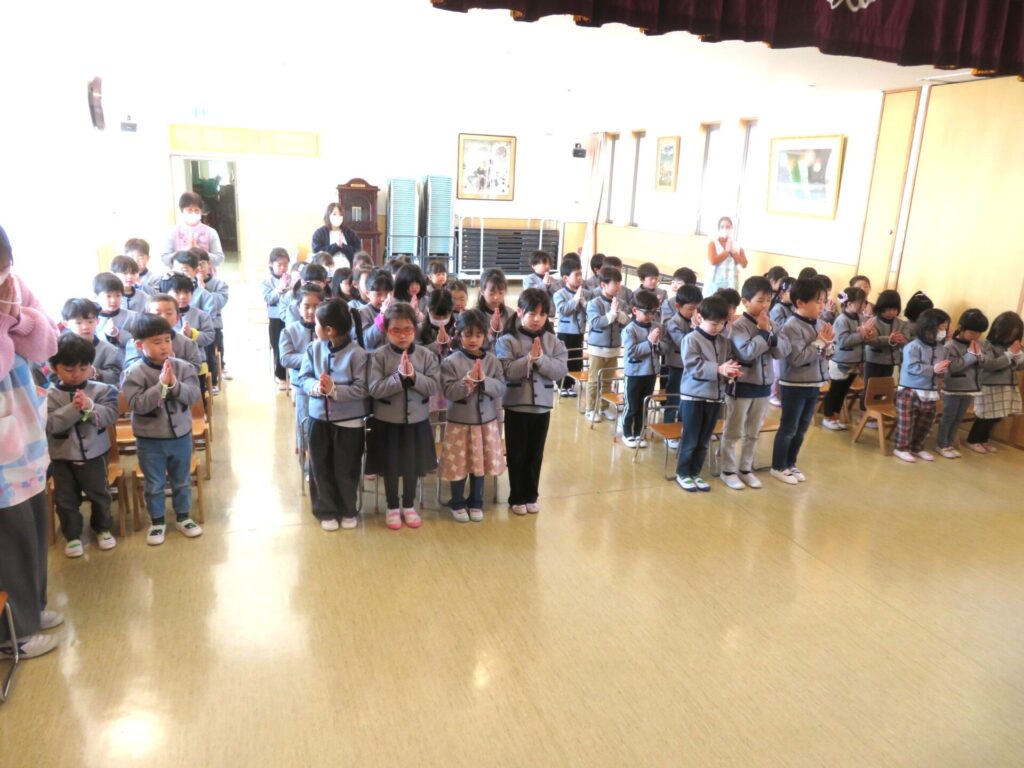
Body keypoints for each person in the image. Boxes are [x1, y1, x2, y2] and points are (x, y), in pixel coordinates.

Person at [0, 225, 61, 659]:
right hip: (4, 451)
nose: (4, 276)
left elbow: (46, 345)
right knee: (10, 538)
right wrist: (7, 322)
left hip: (25, 433)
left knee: (36, 526)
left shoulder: (15, 287)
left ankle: (33, 607)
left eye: (5, 267)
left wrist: (19, 318)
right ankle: (13, 633)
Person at [121, 314, 203, 545]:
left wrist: (174, 384)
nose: (165, 346)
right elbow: (137, 405)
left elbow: (193, 396)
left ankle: (183, 517)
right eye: (157, 342)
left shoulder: (183, 367)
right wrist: (160, 386)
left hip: (180, 436)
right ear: (140, 345)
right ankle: (157, 521)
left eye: (167, 340)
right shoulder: (133, 373)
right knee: (154, 483)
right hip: (150, 440)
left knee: (181, 479)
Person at [366, 302, 440, 530]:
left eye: (407, 330)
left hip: (416, 421)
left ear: (415, 329)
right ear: (386, 330)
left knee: (411, 466)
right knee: (390, 467)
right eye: (395, 330)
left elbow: (433, 386)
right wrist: (398, 377)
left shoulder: (426, 355)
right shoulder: (379, 356)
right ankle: (391, 506)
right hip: (387, 422)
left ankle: (409, 505)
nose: (402, 335)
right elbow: (374, 389)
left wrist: (414, 376)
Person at [298, 298, 370, 531]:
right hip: (318, 419)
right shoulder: (313, 348)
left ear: (329, 330)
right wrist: (316, 387)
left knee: (346, 468)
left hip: (349, 423)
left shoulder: (358, 354)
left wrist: (334, 391)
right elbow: (303, 377)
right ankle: (325, 510)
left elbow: (362, 389)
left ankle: (348, 509)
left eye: (317, 324)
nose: (314, 326)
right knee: (320, 467)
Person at [45, 334, 119, 558]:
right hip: (62, 458)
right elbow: (50, 425)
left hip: (95, 455)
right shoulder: (48, 396)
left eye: (83, 368)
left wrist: (90, 407)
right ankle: (73, 536)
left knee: (100, 494)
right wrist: (73, 409)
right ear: (54, 368)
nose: (77, 374)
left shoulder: (103, 390)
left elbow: (110, 415)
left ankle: (102, 528)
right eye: (69, 369)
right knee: (65, 499)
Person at [495, 289, 568, 515]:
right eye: (532, 313)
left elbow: (560, 370)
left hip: (542, 406)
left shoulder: (553, 341)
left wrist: (541, 360)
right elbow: (506, 370)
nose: (537, 319)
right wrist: (528, 359)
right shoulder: (507, 340)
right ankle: (516, 497)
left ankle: (531, 495)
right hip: (516, 404)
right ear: (519, 312)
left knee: (535, 454)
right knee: (516, 453)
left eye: (542, 314)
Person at [720, 277, 789, 490]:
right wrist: (764, 333)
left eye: (768, 300)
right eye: (760, 300)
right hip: (741, 386)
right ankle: (728, 470)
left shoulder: (771, 323)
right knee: (733, 431)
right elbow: (747, 352)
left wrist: (770, 335)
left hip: (763, 387)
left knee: (753, 432)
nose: (765, 305)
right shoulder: (738, 326)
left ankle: (745, 469)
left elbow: (783, 351)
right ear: (745, 302)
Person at [439, 309, 507, 523]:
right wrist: (467, 382)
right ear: (459, 335)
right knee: (458, 464)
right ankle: (457, 501)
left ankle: (476, 501)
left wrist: (484, 381)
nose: (473, 340)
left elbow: (501, 388)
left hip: (485, 423)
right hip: (459, 423)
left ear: (485, 335)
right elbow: (449, 392)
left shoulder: (493, 361)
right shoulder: (450, 361)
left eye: (478, 335)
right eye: (468, 334)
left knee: (480, 464)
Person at [674, 296, 742, 492]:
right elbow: (693, 366)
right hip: (693, 397)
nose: (717, 327)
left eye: (721, 324)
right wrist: (719, 369)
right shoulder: (691, 339)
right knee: (690, 439)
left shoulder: (723, 341)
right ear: (699, 318)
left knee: (704, 440)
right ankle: (683, 473)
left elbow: (727, 363)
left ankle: (695, 473)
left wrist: (731, 373)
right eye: (713, 323)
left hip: (714, 397)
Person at [771, 278, 834, 485]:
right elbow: (797, 359)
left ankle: (791, 463)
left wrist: (829, 346)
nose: (822, 306)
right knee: (789, 428)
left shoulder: (821, 324)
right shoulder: (791, 326)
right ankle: (778, 466)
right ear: (800, 303)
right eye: (818, 301)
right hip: (794, 384)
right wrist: (820, 343)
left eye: (824, 301)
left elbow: (827, 353)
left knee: (802, 428)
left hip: (814, 383)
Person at [893, 308, 951, 463]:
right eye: (940, 328)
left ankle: (917, 447)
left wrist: (942, 371)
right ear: (928, 328)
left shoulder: (942, 349)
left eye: (945, 328)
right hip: (909, 391)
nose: (943, 332)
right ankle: (901, 448)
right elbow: (911, 367)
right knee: (907, 423)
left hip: (930, 391)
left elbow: (942, 368)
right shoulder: (913, 346)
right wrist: (934, 369)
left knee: (925, 423)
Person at [966, 311, 1024, 453]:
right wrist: (1009, 354)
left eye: (1014, 335)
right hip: (989, 386)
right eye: (1008, 334)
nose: (1010, 337)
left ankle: (983, 440)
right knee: (985, 416)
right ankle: (973, 440)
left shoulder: (1011, 347)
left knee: (997, 416)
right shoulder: (985, 344)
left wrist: (1019, 356)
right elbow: (989, 364)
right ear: (998, 330)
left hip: (1007, 386)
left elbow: (1018, 367)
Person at [820, 287, 876, 431]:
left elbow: (866, 336)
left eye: (865, 302)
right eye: (861, 302)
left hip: (854, 363)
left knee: (843, 392)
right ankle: (828, 417)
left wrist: (869, 334)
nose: (864, 305)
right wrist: (862, 334)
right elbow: (843, 341)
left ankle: (836, 416)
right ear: (850, 304)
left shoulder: (860, 318)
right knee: (835, 391)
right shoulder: (841, 320)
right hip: (841, 362)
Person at [935, 309, 988, 458]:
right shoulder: (950, 346)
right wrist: (971, 356)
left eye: (979, 333)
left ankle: (950, 444)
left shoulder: (979, 344)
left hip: (970, 388)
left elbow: (984, 363)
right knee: (948, 417)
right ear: (961, 328)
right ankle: (941, 445)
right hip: (953, 388)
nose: (976, 336)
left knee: (958, 419)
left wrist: (980, 357)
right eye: (972, 333)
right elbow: (952, 367)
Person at [280, 285, 325, 456]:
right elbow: (285, 358)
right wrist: (311, 357)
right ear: (298, 307)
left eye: (316, 306)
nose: (311, 311)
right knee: (305, 423)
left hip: (324, 385)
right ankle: (306, 460)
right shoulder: (289, 331)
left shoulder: (328, 330)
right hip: (301, 386)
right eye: (306, 306)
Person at [584, 266, 629, 423]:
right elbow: (595, 322)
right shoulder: (594, 303)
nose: (618, 286)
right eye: (615, 283)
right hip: (597, 349)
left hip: (614, 349)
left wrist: (620, 314)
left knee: (608, 381)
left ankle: (603, 407)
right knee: (594, 381)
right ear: (603, 285)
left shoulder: (621, 303)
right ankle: (590, 409)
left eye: (619, 283)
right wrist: (611, 314)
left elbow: (627, 323)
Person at [621, 290, 664, 448]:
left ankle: (639, 433)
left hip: (650, 373)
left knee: (644, 405)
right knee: (631, 406)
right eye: (647, 313)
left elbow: (663, 348)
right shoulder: (629, 329)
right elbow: (631, 351)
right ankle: (627, 433)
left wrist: (657, 344)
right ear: (634, 311)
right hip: (634, 374)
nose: (651, 316)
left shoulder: (656, 326)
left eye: (654, 312)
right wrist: (649, 342)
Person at [124, 294, 203, 374]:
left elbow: (196, 368)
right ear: (148, 317)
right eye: (157, 314)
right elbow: (130, 369)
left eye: (169, 313)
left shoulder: (187, 343)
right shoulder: (139, 342)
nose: (164, 317)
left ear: (177, 317)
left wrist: (174, 363)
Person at [862, 289, 909, 422]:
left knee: (883, 388)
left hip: (890, 362)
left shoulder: (901, 324)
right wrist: (889, 339)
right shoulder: (873, 321)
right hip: (873, 361)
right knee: (870, 388)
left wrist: (902, 340)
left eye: (894, 309)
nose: (891, 313)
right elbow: (870, 341)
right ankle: (865, 412)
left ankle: (878, 412)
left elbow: (907, 342)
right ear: (880, 308)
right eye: (887, 309)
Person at [663, 285, 702, 431]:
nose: (695, 312)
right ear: (678, 306)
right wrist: (694, 328)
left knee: (686, 400)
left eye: (697, 308)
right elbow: (684, 343)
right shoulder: (673, 322)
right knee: (673, 399)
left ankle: (681, 428)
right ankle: (668, 430)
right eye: (691, 308)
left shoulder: (699, 322)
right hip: (677, 366)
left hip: (692, 367)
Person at [60, 299, 122, 385]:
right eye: (78, 323)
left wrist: (93, 372)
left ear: (97, 321)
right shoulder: (61, 349)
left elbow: (116, 377)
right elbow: (54, 375)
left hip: (100, 392)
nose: (85, 327)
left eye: (90, 322)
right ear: (66, 324)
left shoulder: (110, 350)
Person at [552, 259, 590, 397]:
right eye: (576, 275)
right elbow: (563, 310)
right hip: (565, 332)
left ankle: (571, 384)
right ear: (566, 278)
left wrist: (583, 301)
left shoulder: (585, 293)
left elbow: (590, 311)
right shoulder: (559, 294)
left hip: (579, 331)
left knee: (576, 359)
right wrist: (575, 299)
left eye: (581, 274)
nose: (580, 278)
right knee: (564, 358)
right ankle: (561, 384)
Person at [195, 252, 230, 390]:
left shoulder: (219, 284)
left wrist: (203, 290)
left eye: (202, 264)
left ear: (209, 264)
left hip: (213, 325)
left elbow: (220, 302)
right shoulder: (188, 285)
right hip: (194, 325)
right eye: (196, 265)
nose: (199, 268)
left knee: (211, 351)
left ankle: (213, 381)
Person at [161, 192, 225, 267]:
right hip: (180, 274)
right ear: (182, 211)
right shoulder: (172, 232)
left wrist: (199, 251)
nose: (193, 213)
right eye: (189, 210)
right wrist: (185, 251)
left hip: (206, 274)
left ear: (201, 212)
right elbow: (165, 259)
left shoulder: (211, 232)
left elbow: (219, 259)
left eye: (196, 210)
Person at [260, 247, 291, 390]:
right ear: (271, 264)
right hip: (276, 318)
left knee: (290, 345)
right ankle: (281, 377)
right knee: (278, 346)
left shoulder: (292, 277)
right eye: (279, 264)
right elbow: (268, 298)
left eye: (285, 264)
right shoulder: (267, 281)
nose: (283, 268)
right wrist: (280, 288)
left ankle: (291, 375)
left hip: (290, 317)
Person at [93, 272, 139, 355]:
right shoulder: (91, 319)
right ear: (96, 297)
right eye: (108, 296)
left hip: (126, 359)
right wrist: (106, 334)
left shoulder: (132, 317)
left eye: (118, 295)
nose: (114, 300)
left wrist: (118, 333)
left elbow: (138, 341)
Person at [704, 216, 747, 296]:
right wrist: (726, 251)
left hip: (731, 282)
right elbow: (713, 261)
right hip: (715, 282)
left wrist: (733, 252)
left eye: (728, 227)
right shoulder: (713, 243)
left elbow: (744, 264)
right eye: (722, 227)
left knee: (730, 301)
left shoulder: (737, 244)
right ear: (718, 229)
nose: (725, 229)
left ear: (732, 228)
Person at [358, 269, 394, 352]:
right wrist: (382, 316)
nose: (383, 298)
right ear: (367, 293)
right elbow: (366, 341)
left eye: (387, 293)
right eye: (378, 294)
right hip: (373, 357)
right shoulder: (362, 312)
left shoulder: (397, 311)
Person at [476, 268, 511, 346]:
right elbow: (473, 345)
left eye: (501, 293)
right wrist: (492, 330)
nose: (496, 297)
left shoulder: (511, 314)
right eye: (491, 293)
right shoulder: (474, 315)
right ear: (482, 291)